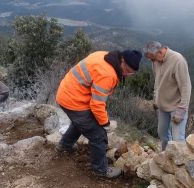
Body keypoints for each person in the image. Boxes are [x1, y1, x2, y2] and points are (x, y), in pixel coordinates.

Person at [55, 50, 142, 179]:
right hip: (74, 100)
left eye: (131, 73)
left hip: (68, 93)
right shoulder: (108, 74)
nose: (127, 74)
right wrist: (105, 124)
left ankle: (65, 146)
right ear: (122, 60)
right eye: (127, 70)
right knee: (98, 135)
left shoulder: (105, 55)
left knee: (82, 122)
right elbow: (97, 105)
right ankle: (100, 170)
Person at [143, 41, 191, 151]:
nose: (151, 61)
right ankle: (165, 159)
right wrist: (156, 98)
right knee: (163, 136)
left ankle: (180, 166)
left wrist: (181, 110)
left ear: (160, 51)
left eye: (152, 58)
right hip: (162, 107)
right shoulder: (155, 61)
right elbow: (157, 81)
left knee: (178, 140)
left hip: (177, 107)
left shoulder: (178, 60)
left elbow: (186, 88)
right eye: (150, 59)